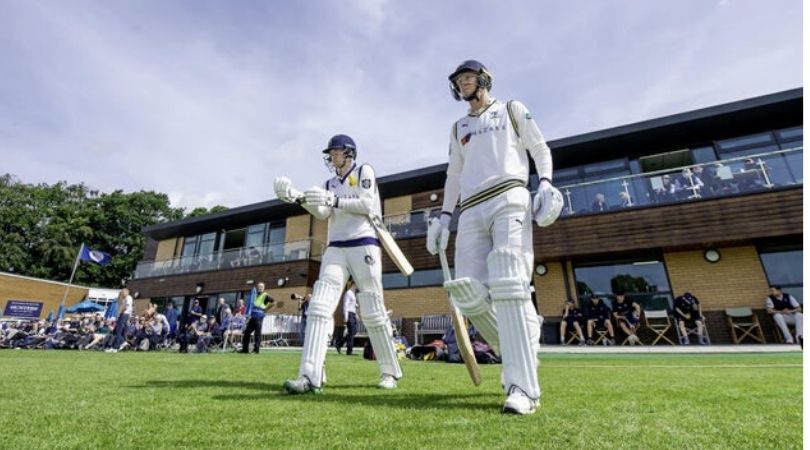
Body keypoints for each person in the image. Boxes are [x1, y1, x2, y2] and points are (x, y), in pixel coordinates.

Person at [426, 60, 562, 415]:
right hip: (470, 209)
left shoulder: (511, 110)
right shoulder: (459, 127)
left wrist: (545, 182)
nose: (463, 83)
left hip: (510, 196)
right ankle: (526, 340)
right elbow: (453, 174)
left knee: (509, 281)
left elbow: (540, 148)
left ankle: (522, 387)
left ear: (483, 79)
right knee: (469, 291)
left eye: (468, 77)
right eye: (458, 80)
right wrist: (443, 216)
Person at [275, 134, 403, 393]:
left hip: (364, 242)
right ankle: (309, 376)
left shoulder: (363, 171)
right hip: (336, 247)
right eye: (331, 153)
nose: (333, 157)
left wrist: (334, 200)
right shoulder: (329, 182)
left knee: (372, 308)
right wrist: (297, 197)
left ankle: (389, 371)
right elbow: (323, 213)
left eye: (337, 152)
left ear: (350, 153)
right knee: (320, 306)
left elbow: (367, 204)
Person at [240, 282, 274, 354]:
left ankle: (256, 350)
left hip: (259, 316)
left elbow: (273, 302)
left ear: (264, 288)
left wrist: (266, 309)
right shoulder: (255, 294)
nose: (260, 288)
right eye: (259, 287)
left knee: (257, 333)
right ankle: (245, 349)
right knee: (247, 332)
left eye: (261, 287)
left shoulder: (265, 295)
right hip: (253, 316)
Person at [105, 288, 133, 353]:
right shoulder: (124, 298)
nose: (121, 293)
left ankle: (114, 348)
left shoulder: (128, 298)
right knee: (121, 332)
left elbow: (126, 307)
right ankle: (122, 343)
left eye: (122, 292)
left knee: (118, 331)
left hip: (124, 315)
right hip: (124, 315)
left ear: (126, 292)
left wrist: (119, 312)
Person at [334, 282, 358, 355]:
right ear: (353, 284)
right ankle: (349, 351)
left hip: (353, 314)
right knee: (351, 332)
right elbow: (345, 305)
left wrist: (356, 312)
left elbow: (352, 304)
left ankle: (339, 344)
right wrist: (346, 316)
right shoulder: (348, 293)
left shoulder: (353, 294)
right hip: (349, 314)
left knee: (354, 331)